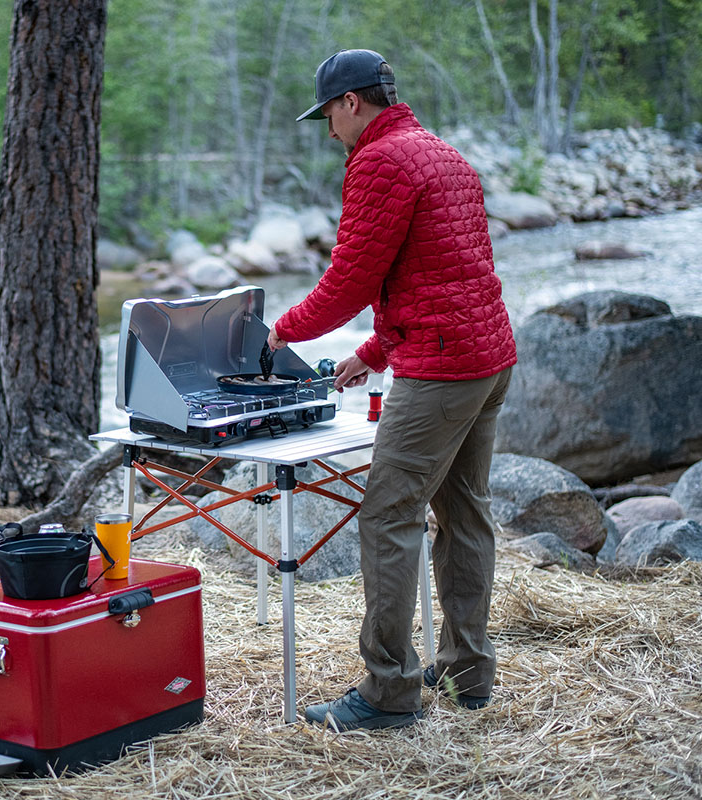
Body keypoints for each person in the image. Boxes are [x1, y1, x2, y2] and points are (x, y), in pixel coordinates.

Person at [267, 49, 517, 730]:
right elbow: (447, 272)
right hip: (488, 356)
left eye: (328, 116)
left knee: (387, 517)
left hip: (442, 368)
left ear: (352, 102)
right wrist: (373, 352)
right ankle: (467, 674)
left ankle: (389, 693)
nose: (328, 132)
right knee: (464, 515)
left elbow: (349, 281)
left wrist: (280, 332)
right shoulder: (441, 153)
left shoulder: (380, 159)